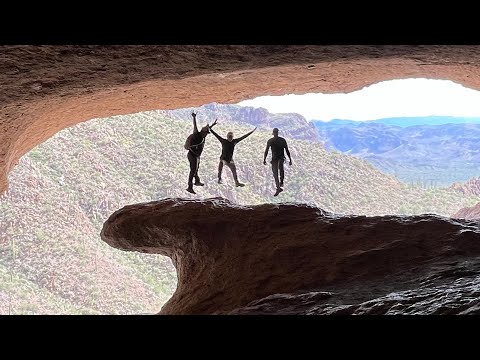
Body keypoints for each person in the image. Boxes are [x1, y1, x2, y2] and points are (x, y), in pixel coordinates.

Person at [184, 112, 217, 194]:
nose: (207, 135)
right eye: (206, 133)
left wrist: (213, 125)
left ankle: (197, 181)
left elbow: (207, 129)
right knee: (193, 170)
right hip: (192, 155)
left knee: (196, 169)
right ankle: (190, 186)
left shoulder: (203, 136)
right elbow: (195, 126)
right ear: (203, 132)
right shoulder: (197, 135)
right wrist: (194, 117)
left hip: (196, 156)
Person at [263, 128, 292, 196]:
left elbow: (287, 150)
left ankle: (280, 184)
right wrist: (264, 159)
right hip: (276, 159)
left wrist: (290, 159)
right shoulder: (278, 140)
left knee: (278, 170)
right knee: (276, 172)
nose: (275, 133)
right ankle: (279, 186)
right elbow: (266, 150)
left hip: (278, 158)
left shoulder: (274, 140)